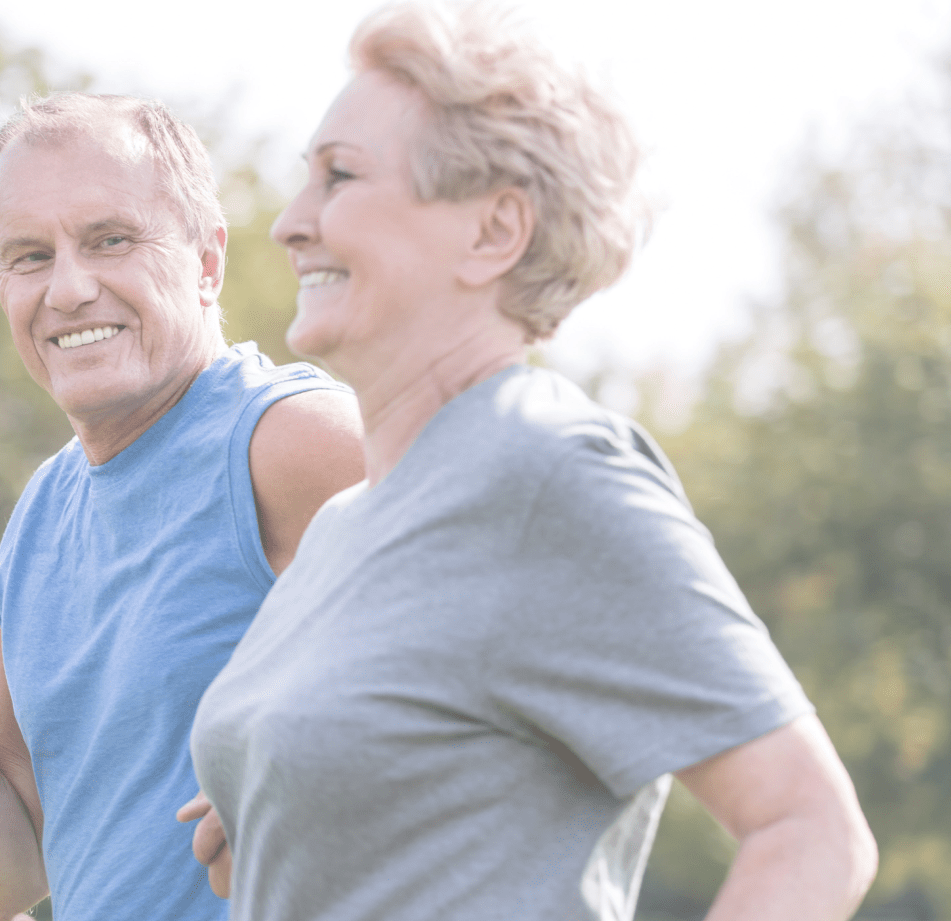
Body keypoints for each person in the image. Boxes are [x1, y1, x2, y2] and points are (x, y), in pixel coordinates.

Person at [187, 4, 879, 919]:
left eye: (339, 177)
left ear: (494, 231)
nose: (287, 222)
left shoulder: (544, 470)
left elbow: (812, 830)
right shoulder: (342, 525)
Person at [0, 93, 364, 921]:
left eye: (111, 240)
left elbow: (515, 650)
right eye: (28, 256)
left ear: (207, 262)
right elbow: (12, 868)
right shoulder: (42, 515)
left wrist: (310, 770)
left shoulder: (291, 439)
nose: (70, 287)